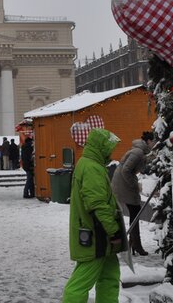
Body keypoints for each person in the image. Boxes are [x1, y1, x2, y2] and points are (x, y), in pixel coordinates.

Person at [62, 128, 125, 303]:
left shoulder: (91, 164)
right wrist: (114, 232)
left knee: (109, 277)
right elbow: (97, 204)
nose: (112, 151)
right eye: (109, 147)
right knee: (81, 282)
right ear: (101, 147)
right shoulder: (91, 168)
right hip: (96, 235)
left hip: (99, 234)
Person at [111, 131, 156, 256]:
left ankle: (133, 243)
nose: (155, 144)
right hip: (123, 182)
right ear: (148, 141)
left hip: (124, 181)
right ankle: (135, 243)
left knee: (135, 211)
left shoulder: (141, 151)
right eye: (153, 141)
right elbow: (126, 170)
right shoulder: (138, 152)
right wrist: (134, 185)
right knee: (135, 211)